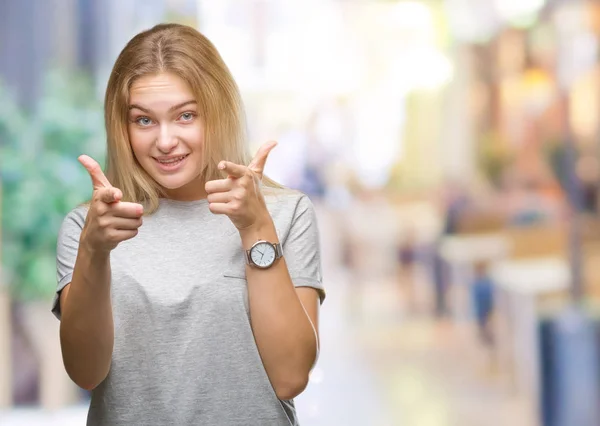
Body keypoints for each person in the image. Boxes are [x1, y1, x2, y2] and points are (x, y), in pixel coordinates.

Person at [52, 23, 325, 426]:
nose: (165, 141)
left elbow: (290, 377)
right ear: (122, 127)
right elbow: (84, 371)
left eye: (185, 116)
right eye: (144, 121)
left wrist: (255, 230)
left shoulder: (285, 214)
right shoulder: (91, 227)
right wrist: (94, 252)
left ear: (217, 113)